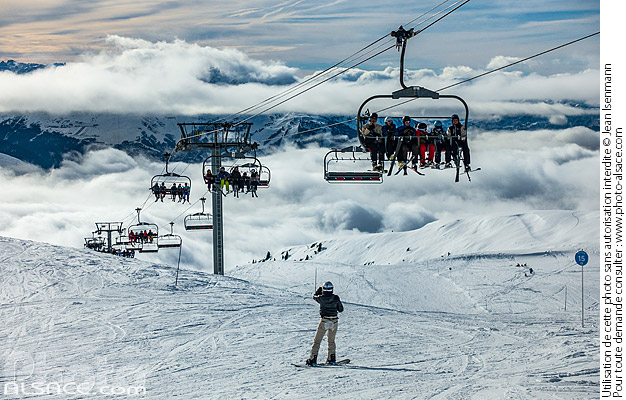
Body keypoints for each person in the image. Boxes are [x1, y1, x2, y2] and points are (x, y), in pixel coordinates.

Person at [306, 281, 344, 366]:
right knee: (331, 341)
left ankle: (313, 359)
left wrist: (319, 290)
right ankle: (331, 359)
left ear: (324, 289)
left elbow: (314, 296)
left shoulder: (321, 298)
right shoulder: (336, 298)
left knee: (317, 341)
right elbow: (341, 309)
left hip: (324, 321)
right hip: (334, 321)